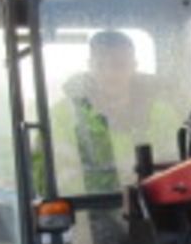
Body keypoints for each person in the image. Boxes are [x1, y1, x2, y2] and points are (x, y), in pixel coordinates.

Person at [56, 30, 180, 192]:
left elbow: (180, 168)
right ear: (90, 66)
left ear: (133, 67)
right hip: (84, 210)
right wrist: (115, 187)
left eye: (119, 65)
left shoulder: (162, 115)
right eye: (100, 65)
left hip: (154, 208)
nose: (109, 73)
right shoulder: (62, 115)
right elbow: (49, 177)